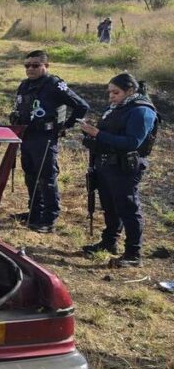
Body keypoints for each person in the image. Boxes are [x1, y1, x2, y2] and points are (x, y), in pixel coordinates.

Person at [79, 73, 160, 268]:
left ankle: (133, 253)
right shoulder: (117, 107)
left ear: (130, 91)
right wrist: (91, 135)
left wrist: (98, 133)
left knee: (128, 209)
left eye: (116, 92)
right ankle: (109, 242)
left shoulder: (141, 111)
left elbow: (132, 142)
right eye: (109, 93)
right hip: (106, 164)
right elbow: (109, 134)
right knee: (109, 206)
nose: (111, 97)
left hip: (125, 167)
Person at [9, 50, 89, 233]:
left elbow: (82, 106)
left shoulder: (54, 84)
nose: (30, 69)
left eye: (35, 65)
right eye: (27, 65)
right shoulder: (25, 85)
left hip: (45, 138)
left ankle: (49, 218)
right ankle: (34, 212)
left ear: (46, 66)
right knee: (30, 176)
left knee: (46, 178)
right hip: (27, 136)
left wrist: (66, 126)